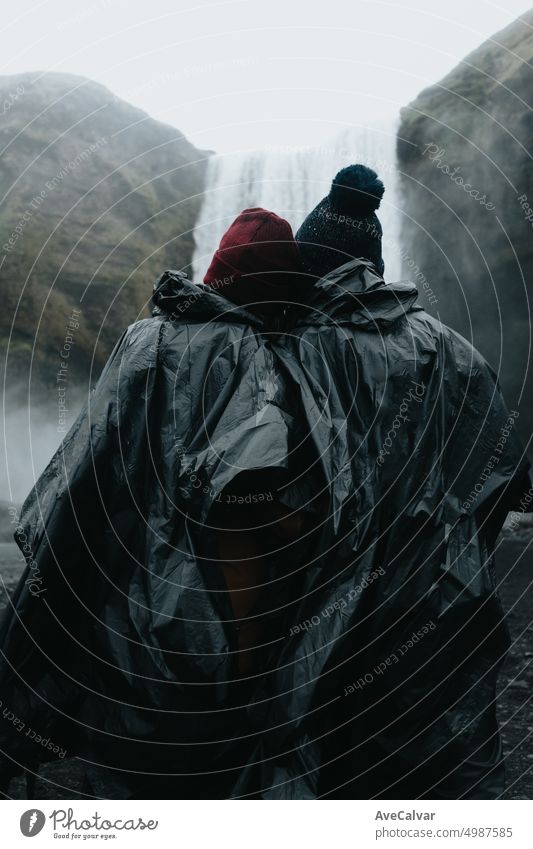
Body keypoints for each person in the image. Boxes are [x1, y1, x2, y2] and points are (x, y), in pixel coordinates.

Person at [230, 165, 531, 799]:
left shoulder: (290, 347)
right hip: (449, 600)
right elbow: (505, 475)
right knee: (461, 770)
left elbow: (261, 485)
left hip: (331, 610)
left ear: (313, 262)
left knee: (325, 771)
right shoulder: (453, 350)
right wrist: (456, 546)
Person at [0, 208, 313, 799]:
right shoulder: (246, 354)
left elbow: (87, 465)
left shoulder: (143, 336)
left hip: (113, 605)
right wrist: (249, 655)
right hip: (190, 622)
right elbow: (236, 509)